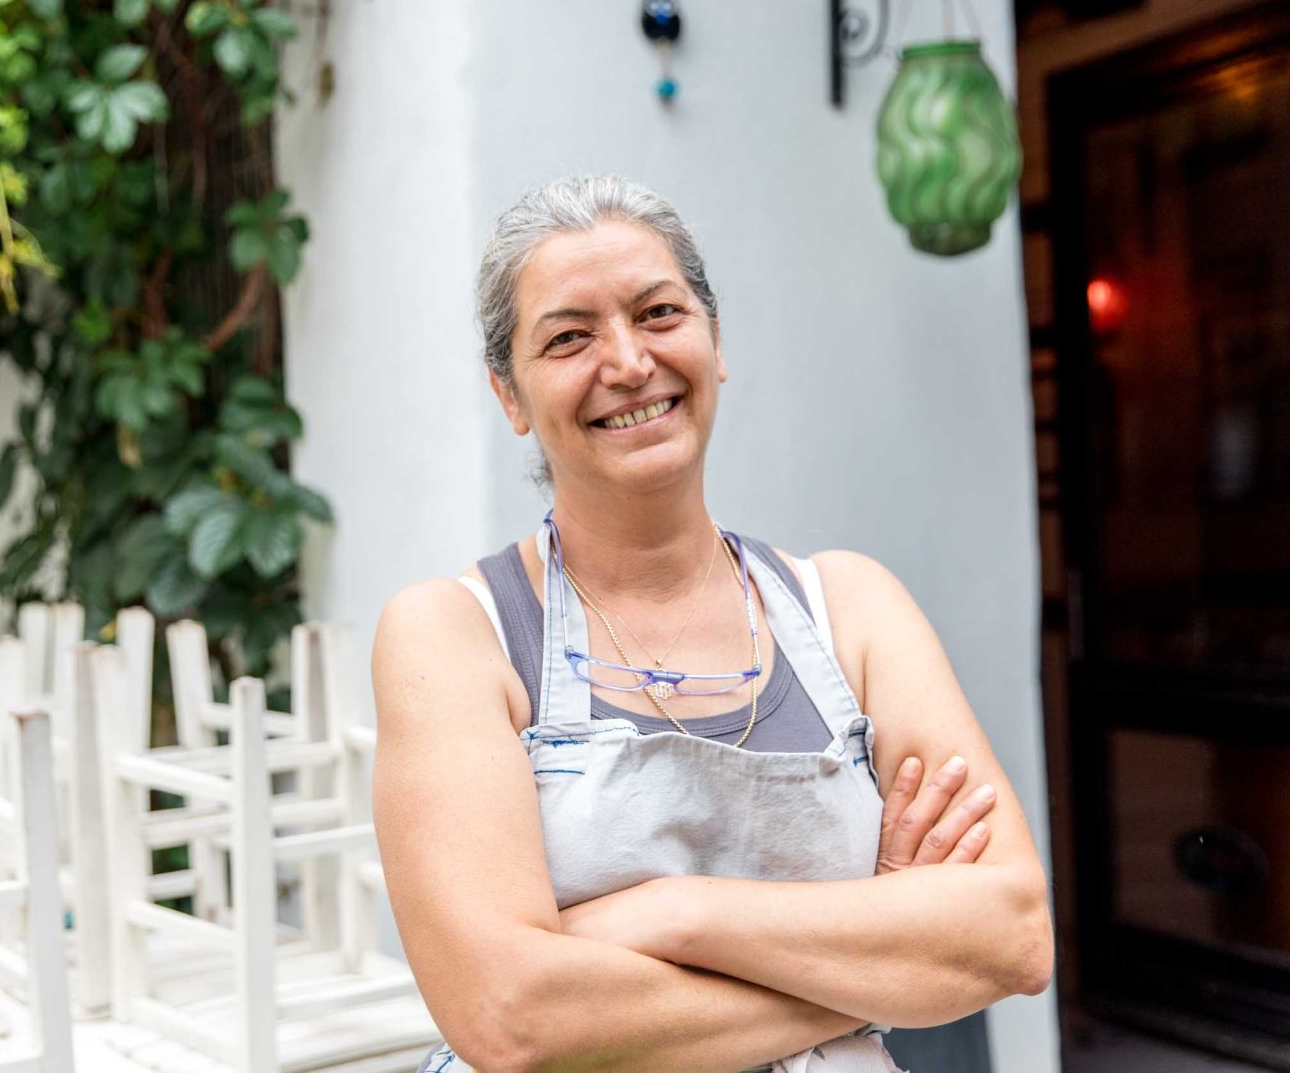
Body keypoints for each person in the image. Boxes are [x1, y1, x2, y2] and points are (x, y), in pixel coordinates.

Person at [371, 176, 1053, 1073]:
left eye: (658, 313)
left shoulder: (850, 608)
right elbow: (513, 1020)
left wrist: (671, 911)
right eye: (569, 337)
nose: (627, 363)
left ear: (715, 340)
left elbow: (1012, 936)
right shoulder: (457, 636)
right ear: (509, 395)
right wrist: (879, 960)